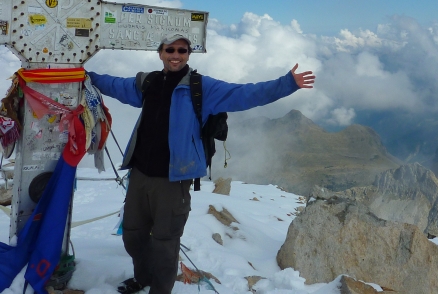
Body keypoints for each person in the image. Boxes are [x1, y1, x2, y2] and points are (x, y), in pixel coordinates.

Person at [87, 33, 315, 294]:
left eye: (182, 51)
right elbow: (114, 84)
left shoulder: (202, 88)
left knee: (165, 242)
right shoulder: (147, 82)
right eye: (170, 50)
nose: (176, 55)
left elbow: (246, 94)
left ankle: (159, 290)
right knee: (133, 235)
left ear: (188, 55)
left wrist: (287, 84)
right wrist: (85, 76)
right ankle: (144, 277)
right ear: (160, 53)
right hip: (140, 173)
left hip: (174, 180)